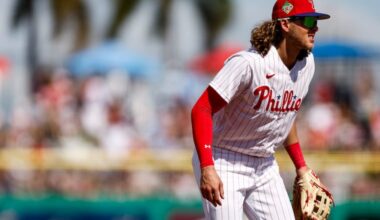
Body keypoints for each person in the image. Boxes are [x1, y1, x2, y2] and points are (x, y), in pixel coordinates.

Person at [190, 0, 330, 219]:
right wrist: (207, 167)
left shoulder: (306, 65)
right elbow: (201, 109)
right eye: (308, 21)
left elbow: (286, 117)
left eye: (316, 21)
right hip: (224, 158)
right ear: (285, 24)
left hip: (264, 163)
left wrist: (301, 166)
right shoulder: (249, 64)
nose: (315, 27)